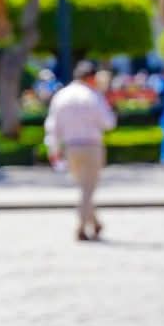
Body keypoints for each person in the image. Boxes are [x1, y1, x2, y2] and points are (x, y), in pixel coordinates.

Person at [47, 61, 117, 241]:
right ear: (91, 78)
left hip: (71, 147)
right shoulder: (93, 96)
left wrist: (53, 148)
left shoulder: (61, 96)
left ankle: (95, 222)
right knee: (88, 189)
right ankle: (81, 226)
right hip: (92, 146)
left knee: (84, 188)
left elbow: (53, 126)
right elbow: (108, 123)